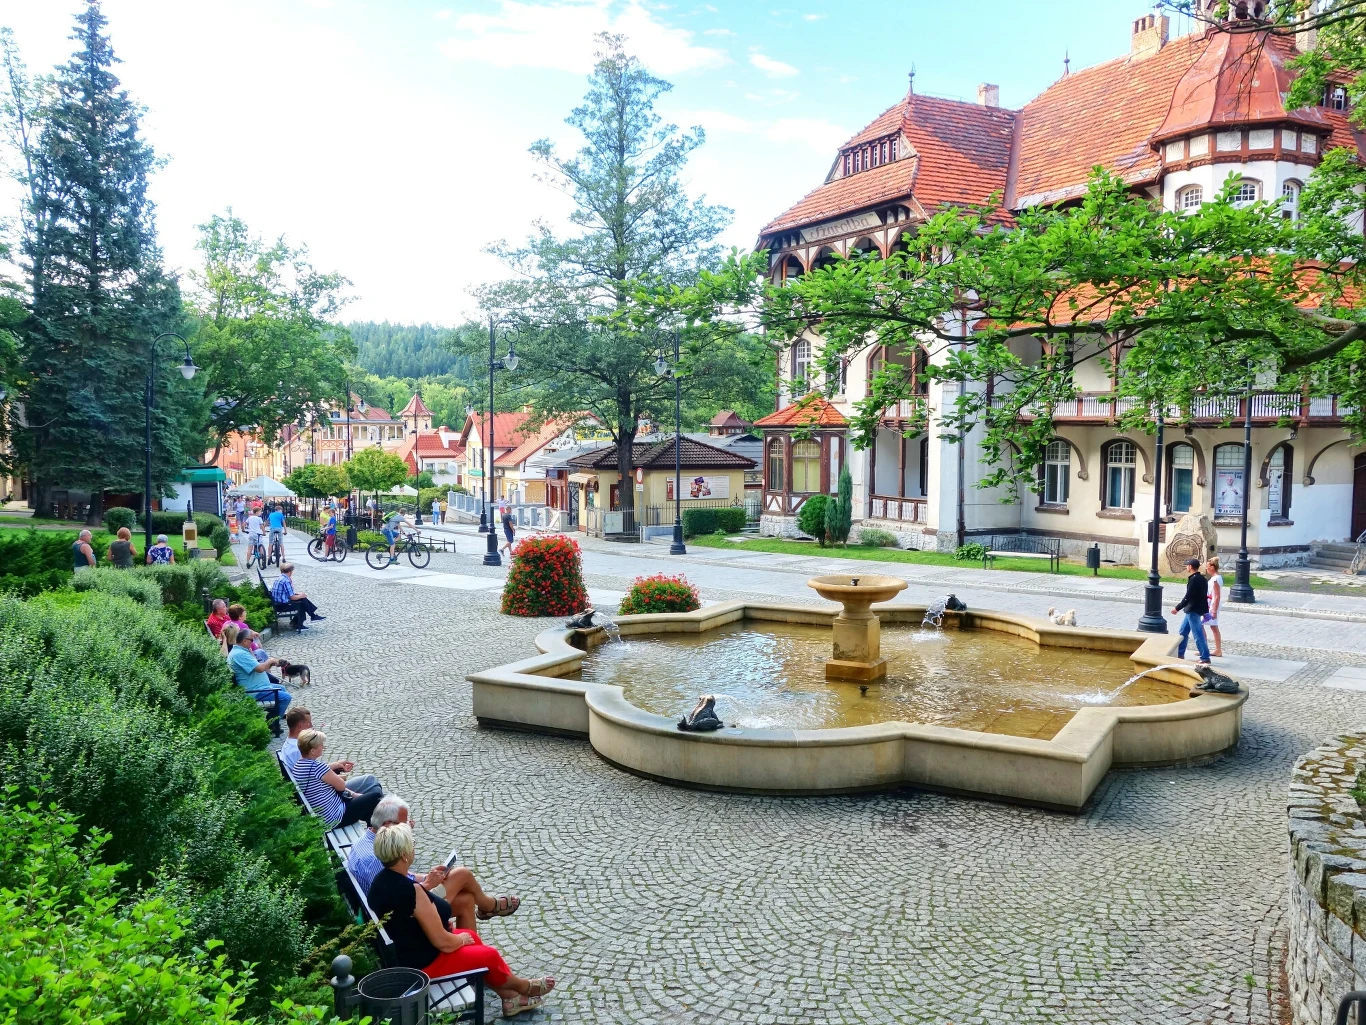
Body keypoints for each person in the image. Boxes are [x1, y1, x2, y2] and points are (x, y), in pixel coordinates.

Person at [367, 823, 553, 1018]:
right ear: (405, 855)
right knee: (489, 955)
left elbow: (405, 921)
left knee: (473, 936)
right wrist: (460, 940)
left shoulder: (380, 882)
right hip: (424, 966)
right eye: (412, 844)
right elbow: (443, 942)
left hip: (408, 955)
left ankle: (510, 998)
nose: (414, 848)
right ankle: (525, 986)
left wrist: (454, 931)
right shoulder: (411, 891)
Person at [347, 795, 519, 930]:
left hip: (406, 903)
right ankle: (488, 906)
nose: (409, 827)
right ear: (388, 824)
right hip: (406, 917)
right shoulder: (375, 859)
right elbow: (396, 899)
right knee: (462, 874)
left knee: (466, 900)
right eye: (405, 824)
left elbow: (398, 879)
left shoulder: (370, 842)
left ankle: (474, 951)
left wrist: (427, 877)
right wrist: (428, 884)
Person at [288, 729, 383, 829]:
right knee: (376, 797)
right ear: (312, 751)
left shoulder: (298, 765)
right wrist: (339, 777)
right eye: (320, 745)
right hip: (334, 817)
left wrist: (335, 767)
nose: (323, 747)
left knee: (371, 798)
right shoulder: (317, 767)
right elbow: (341, 786)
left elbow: (319, 778)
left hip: (324, 814)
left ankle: (373, 826)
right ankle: (375, 831)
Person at [280, 708, 382, 795]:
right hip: (324, 793)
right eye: (309, 722)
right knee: (371, 781)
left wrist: (336, 765)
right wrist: (338, 777)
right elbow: (313, 775)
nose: (311, 725)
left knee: (373, 789)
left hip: (317, 789)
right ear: (300, 726)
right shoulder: (297, 750)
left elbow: (312, 770)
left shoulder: (289, 745)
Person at [227, 627, 291, 716]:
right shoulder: (240, 654)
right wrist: (270, 661)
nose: (253, 642)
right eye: (251, 640)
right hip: (254, 691)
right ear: (244, 641)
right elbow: (260, 669)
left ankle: (275, 714)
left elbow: (256, 665)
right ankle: (274, 721)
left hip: (259, 687)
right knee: (286, 698)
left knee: (282, 688)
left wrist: (270, 664)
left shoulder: (241, 651)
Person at [1169, 556, 1211, 665]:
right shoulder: (1203, 579)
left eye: (1187, 565)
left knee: (1197, 634)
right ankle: (1180, 654)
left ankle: (1205, 657)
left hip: (1193, 610)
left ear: (1191, 567)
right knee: (1183, 632)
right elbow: (1204, 597)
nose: (1186, 567)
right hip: (1193, 610)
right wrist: (1205, 611)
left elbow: (1188, 597)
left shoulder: (1193, 580)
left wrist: (1177, 608)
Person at [271, 563, 325, 629]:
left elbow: (287, 593)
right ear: (290, 571)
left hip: (277, 604)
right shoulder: (286, 581)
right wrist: (301, 596)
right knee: (302, 603)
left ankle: (311, 617)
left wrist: (299, 595)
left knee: (303, 599)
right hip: (282, 606)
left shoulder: (279, 578)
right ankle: (299, 623)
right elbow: (292, 597)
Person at [1204, 556, 1225, 658]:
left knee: (1202, 624)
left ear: (1212, 567)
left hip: (1212, 605)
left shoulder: (1216, 579)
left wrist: (1214, 610)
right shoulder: (1215, 578)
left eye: (1207, 566)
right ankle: (1216, 649)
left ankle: (1205, 649)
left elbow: (1217, 595)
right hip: (1210, 604)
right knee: (1213, 626)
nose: (1206, 568)